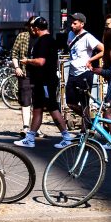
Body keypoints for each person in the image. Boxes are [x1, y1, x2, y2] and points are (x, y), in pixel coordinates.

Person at [14, 17, 73, 149]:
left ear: (35, 28)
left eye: (32, 28)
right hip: (42, 81)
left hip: (46, 81)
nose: (31, 30)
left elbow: (41, 61)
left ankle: (66, 137)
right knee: (37, 109)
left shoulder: (43, 41)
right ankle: (30, 138)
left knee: (52, 108)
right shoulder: (50, 39)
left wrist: (27, 61)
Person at [64, 12, 104, 117]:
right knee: (70, 102)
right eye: (72, 23)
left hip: (84, 73)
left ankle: (85, 129)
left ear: (82, 24)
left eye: (75, 23)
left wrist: (90, 60)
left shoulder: (88, 37)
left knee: (84, 102)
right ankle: (89, 118)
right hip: (72, 73)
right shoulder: (70, 34)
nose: (72, 25)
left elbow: (103, 49)